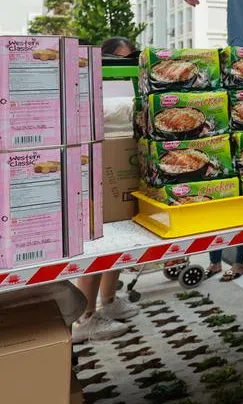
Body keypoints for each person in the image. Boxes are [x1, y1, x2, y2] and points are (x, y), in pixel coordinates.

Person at [71, 37, 145, 342]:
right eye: (126, 58)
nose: (131, 63)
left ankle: (109, 302)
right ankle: (84, 319)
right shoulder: (95, 82)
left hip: (121, 164)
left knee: (118, 244)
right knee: (99, 245)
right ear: (108, 58)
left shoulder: (123, 82)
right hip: (101, 168)